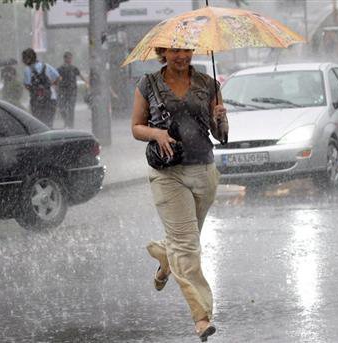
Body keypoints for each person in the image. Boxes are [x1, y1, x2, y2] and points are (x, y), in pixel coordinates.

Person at [131, 47, 228, 342]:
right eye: (174, 51)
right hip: (168, 173)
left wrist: (220, 117)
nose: (181, 56)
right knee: (187, 246)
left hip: (204, 171)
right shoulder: (148, 84)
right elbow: (136, 127)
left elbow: (221, 135)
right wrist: (156, 133)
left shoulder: (208, 84)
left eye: (185, 50)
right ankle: (201, 316)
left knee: (184, 242)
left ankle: (165, 258)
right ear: (163, 52)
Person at [22, 48, 60, 128]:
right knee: (49, 124)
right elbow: (58, 77)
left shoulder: (27, 69)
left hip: (37, 101)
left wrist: (36, 91)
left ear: (28, 58)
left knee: (39, 125)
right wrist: (50, 85)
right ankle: (51, 138)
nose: (23, 61)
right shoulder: (46, 66)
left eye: (24, 58)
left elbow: (27, 85)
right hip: (51, 99)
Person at [57, 52, 88, 128]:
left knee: (71, 108)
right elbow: (56, 79)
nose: (70, 60)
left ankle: (71, 125)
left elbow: (81, 76)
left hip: (72, 91)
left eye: (71, 58)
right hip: (63, 91)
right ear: (65, 59)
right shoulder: (60, 69)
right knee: (62, 108)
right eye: (69, 58)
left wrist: (87, 83)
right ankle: (67, 121)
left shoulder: (74, 68)